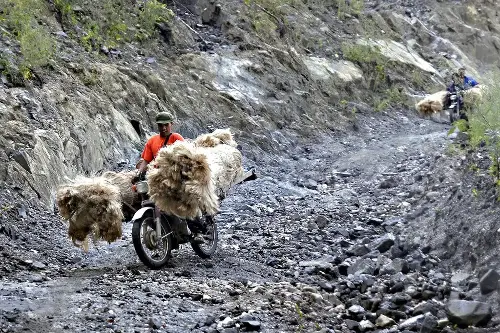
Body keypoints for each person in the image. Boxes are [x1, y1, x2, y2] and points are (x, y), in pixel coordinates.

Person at [135, 111, 205, 244]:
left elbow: (186, 156)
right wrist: (139, 172)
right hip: (159, 179)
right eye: (160, 125)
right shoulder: (152, 141)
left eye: (166, 125)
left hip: (176, 177)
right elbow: (145, 160)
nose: (163, 128)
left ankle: (197, 232)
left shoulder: (176, 138)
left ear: (171, 124)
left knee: (185, 200)